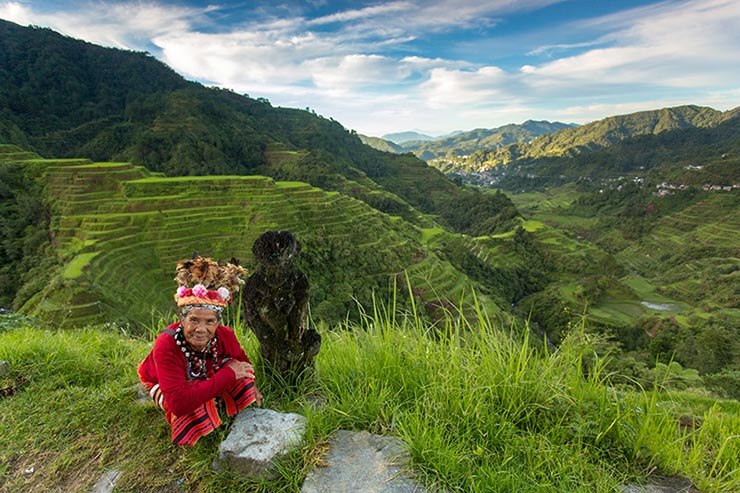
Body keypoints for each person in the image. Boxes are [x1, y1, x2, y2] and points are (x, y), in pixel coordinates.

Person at [138, 256, 262, 446]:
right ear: (182, 319)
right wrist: (227, 375)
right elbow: (178, 404)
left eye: (209, 321)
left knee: (244, 379)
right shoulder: (167, 344)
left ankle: (215, 401)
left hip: (204, 373)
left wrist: (252, 383)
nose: (201, 329)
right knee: (188, 409)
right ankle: (207, 419)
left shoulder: (224, 335)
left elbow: (242, 361)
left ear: (217, 323)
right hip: (167, 382)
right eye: (194, 320)